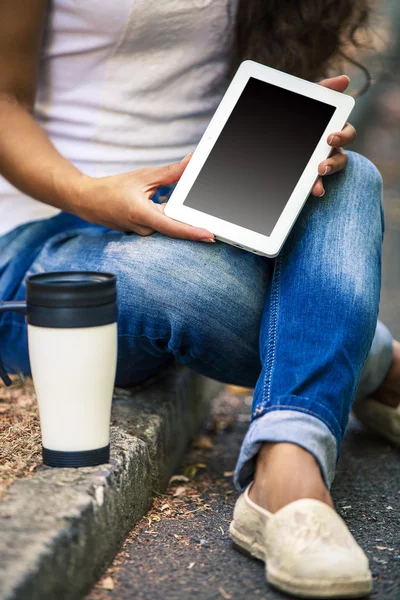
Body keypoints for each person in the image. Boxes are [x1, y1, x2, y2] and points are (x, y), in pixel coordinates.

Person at [0, 1, 399, 597]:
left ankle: (287, 471)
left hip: (210, 217)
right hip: (49, 232)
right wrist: (91, 195)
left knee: (350, 177)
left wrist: (293, 150)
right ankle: (379, 362)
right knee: (187, 282)